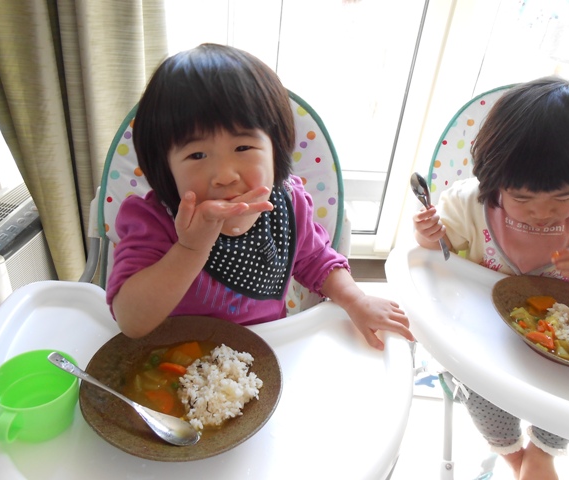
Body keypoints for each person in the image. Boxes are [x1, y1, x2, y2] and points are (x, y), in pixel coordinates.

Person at [106, 43, 413, 350]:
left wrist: (356, 300)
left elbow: (316, 260)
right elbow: (131, 322)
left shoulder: (288, 205)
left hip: (266, 355)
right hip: (177, 356)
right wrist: (190, 248)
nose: (225, 175)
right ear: (164, 167)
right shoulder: (154, 220)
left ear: (276, 150)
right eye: (197, 155)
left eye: (243, 148)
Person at [413, 76, 569, 480]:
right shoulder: (469, 203)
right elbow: (437, 255)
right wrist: (429, 235)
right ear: (493, 178)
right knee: (480, 388)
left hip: (563, 340)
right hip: (483, 333)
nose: (542, 212)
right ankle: (514, 455)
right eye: (521, 198)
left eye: (563, 196)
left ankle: (543, 451)